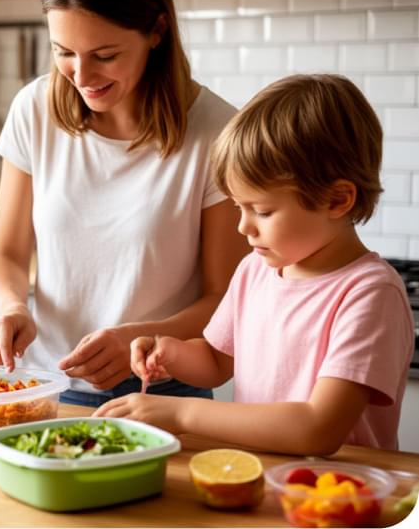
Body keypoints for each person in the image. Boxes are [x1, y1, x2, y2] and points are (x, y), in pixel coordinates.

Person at [0, 0, 249, 407]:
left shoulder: (218, 133)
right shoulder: (33, 110)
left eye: (104, 56)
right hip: (45, 386)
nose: (82, 76)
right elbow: (5, 255)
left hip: (162, 394)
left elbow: (225, 299)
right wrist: (11, 307)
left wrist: (143, 339)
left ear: (157, 31)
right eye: (64, 53)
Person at [95, 74, 414, 453]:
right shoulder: (254, 270)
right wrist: (171, 352)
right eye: (239, 207)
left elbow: (319, 428)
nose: (243, 226)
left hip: (340, 486)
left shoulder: (370, 293)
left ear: (337, 200)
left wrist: (181, 413)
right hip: (262, 475)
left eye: (262, 211)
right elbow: (217, 360)